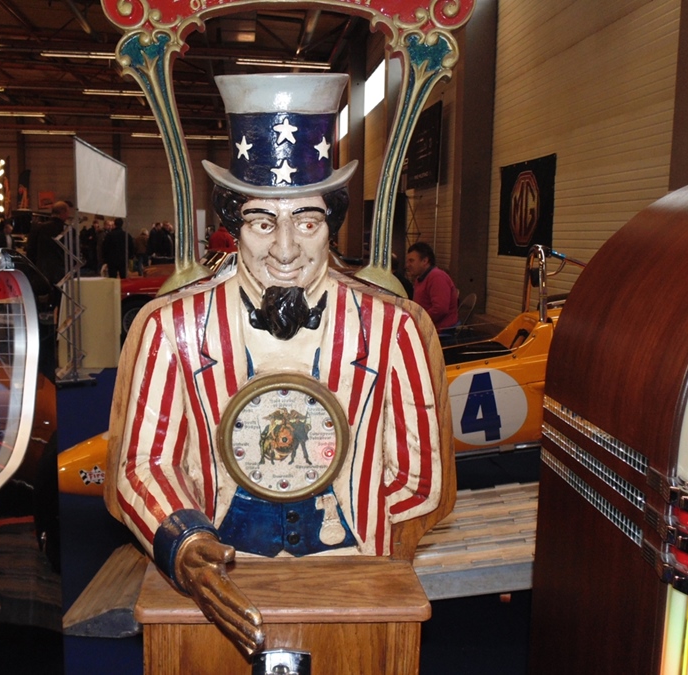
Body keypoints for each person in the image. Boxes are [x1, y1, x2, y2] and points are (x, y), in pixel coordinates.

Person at [105, 73, 454, 657]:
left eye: (308, 222)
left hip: (354, 576)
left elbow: (422, 473)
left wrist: (366, 542)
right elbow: (142, 463)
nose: (286, 248)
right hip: (222, 577)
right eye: (263, 222)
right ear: (234, 227)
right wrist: (186, 544)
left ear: (331, 226)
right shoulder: (172, 327)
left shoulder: (394, 329)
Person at [406, 241, 459, 336]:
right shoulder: (420, 278)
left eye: (411, 261)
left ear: (425, 261)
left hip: (438, 332)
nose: (408, 265)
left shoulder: (437, 277)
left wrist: (418, 320)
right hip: (426, 327)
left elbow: (440, 309)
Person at [26, 200, 69, 308]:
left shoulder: (38, 228)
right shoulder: (67, 230)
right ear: (63, 213)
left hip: (41, 273)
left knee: (41, 307)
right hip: (62, 275)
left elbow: (30, 251)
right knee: (61, 306)